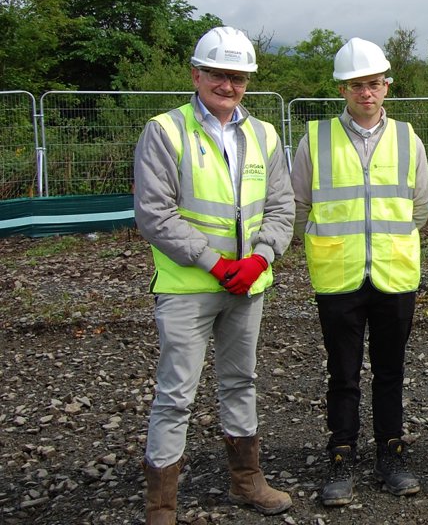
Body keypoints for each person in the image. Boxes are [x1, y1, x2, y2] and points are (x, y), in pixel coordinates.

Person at [134, 26, 294, 524]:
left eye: (239, 77)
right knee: (175, 393)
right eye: (219, 74)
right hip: (188, 289)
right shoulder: (165, 130)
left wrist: (261, 258)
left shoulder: (263, 134)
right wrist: (216, 263)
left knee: (240, 381)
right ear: (196, 74)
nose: (228, 85)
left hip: (247, 287)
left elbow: (281, 206)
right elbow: (155, 214)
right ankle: (162, 504)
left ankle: (247, 480)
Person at [291, 37, 428, 506]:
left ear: (386, 86)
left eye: (373, 84)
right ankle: (341, 453)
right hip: (338, 275)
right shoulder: (315, 139)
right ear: (341, 90)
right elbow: (299, 205)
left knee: (391, 371)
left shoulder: (409, 138)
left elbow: (420, 208)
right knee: (343, 373)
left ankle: (391, 452)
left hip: (394, 275)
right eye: (356, 86)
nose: (365, 93)